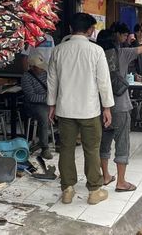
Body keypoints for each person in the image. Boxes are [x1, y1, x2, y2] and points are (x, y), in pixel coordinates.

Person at [47, 13, 114, 205]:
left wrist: (51, 105)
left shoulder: (58, 50)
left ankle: (67, 190)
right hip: (89, 110)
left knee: (66, 149)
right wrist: (107, 108)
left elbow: (52, 81)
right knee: (91, 149)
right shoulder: (96, 51)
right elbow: (104, 82)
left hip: (65, 109)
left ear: (70, 29)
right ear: (91, 30)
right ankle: (94, 191)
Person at [97, 25, 142, 193]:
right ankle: (121, 182)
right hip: (120, 106)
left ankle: (105, 176)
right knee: (122, 143)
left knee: (104, 142)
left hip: (100, 106)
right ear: (115, 40)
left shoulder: (95, 55)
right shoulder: (122, 53)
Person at [20, 55, 53, 160]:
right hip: (33, 105)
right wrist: (48, 98)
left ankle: (61, 141)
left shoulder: (45, 74)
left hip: (47, 102)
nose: (42, 68)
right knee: (44, 116)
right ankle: (44, 147)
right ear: (33, 67)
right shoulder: (26, 77)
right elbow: (31, 97)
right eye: (39, 67)